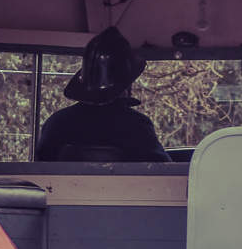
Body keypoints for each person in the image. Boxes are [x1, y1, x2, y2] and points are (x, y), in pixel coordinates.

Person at [35, 26, 170, 162]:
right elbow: (163, 169)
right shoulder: (138, 125)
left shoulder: (56, 123)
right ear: (126, 85)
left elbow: (39, 169)